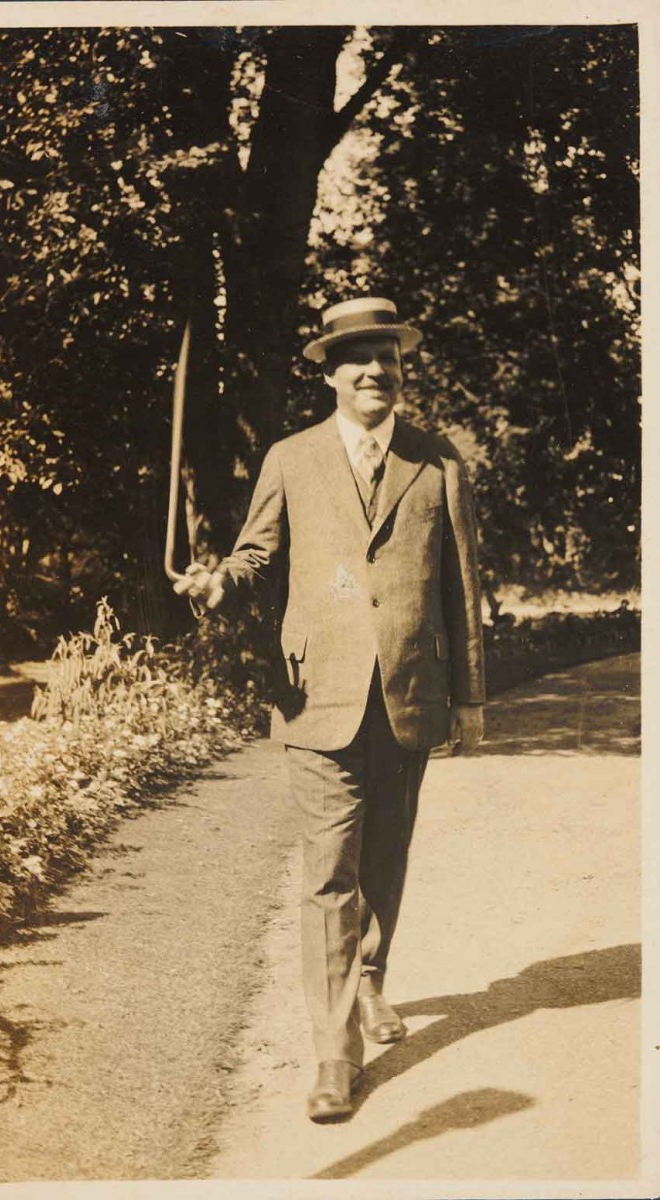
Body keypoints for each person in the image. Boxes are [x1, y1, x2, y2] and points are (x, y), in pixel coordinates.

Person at [174, 296, 486, 1122]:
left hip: (411, 692)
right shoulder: (291, 458)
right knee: (328, 873)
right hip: (317, 695)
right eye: (358, 359)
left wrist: (470, 697)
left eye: (388, 357)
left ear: (401, 369)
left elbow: (462, 585)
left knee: (385, 857)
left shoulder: (439, 460)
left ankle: (371, 979)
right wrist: (220, 581)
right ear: (331, 374)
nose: (375, 370)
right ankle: (334, 1053)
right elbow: (255, 554)